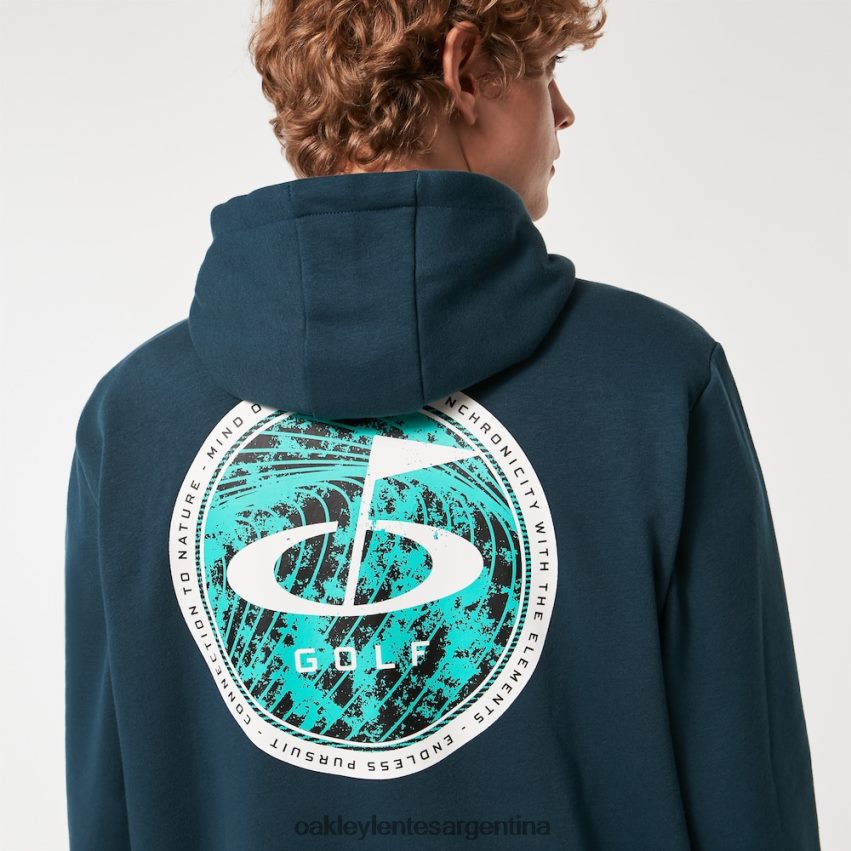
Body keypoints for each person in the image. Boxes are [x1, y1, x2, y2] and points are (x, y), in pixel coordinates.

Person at [64, 1, 821, 848]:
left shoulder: (132, 419)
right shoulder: (656, 381)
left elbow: (108, 813)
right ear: (465, 73)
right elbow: (745, 785)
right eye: (546, 74)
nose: (563, 112)